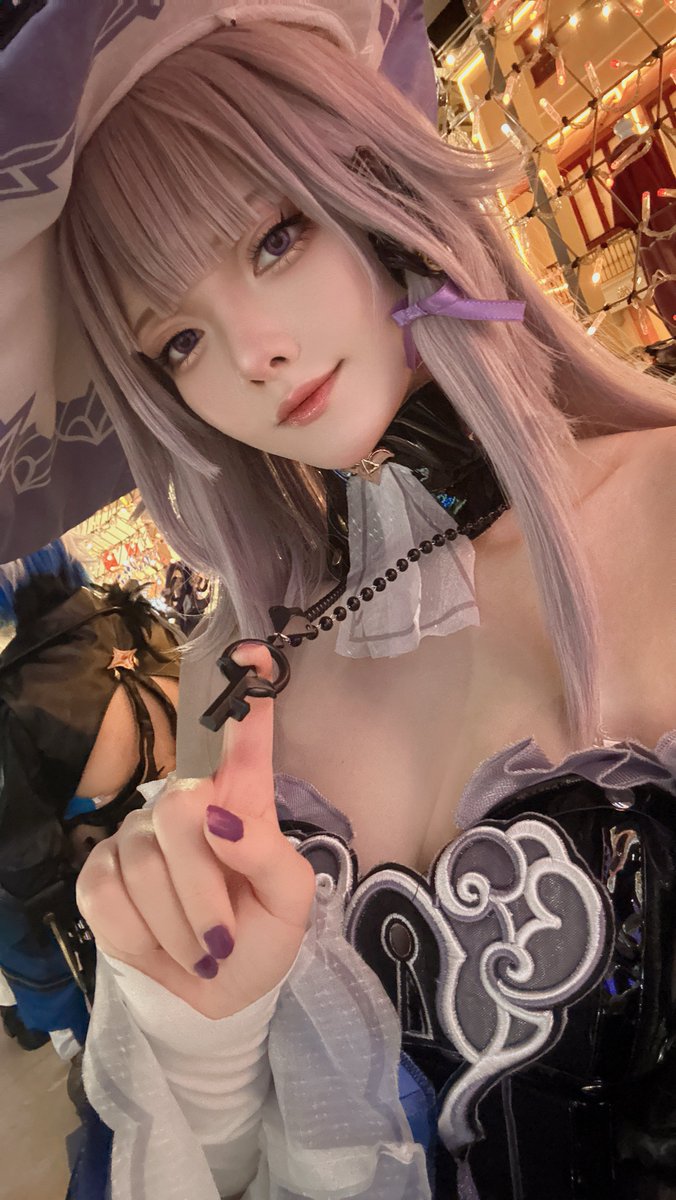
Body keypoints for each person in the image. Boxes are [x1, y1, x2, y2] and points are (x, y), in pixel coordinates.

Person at [6, 2, 676, 1197]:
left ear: (376, 182)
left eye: (275, 237)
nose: (252, 352)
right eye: (177, 340)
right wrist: (204, 1049)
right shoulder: (236, 682)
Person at [0, 539, 181, 1065]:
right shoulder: (143, 622)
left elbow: (24, 872)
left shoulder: (14, 697)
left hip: (126, 935)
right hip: (222, 858)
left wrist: (54, 1001)